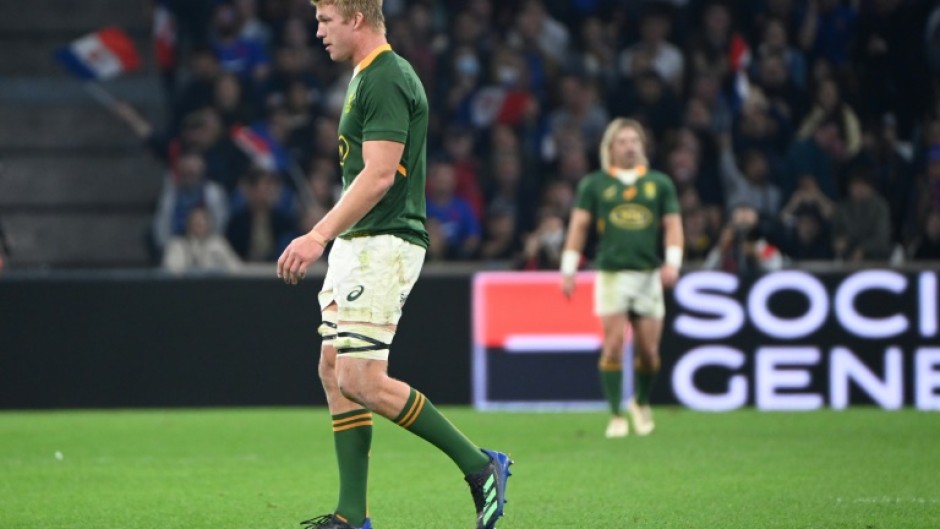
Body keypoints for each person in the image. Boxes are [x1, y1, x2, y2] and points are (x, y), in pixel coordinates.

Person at [275, 2, 511, 529]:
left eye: (325, 20)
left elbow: (380, 175)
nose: (317, 31)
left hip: (384, 242)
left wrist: (316, 234)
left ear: (357, 18)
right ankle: (351, 515)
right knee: (334, 369)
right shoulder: (366, 77)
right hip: (359, 243)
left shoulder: (386, 77)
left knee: (361, 377)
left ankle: (480, 466)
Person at [560, 117, 684, 438]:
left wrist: (673, 262)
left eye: (635, 141)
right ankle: (616, 414)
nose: (630, 147)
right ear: (610, 148)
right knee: (613, 345)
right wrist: (569, 268)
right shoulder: (595, 185)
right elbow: (579, 226)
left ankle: (640, 402)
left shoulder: (659, 183)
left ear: (642, 146)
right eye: (623, 141)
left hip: (648, 275)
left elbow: (672, 225)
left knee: (650, 353)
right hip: (612, 274)